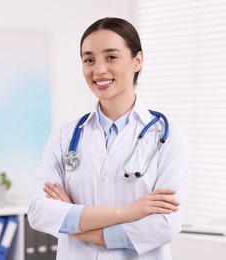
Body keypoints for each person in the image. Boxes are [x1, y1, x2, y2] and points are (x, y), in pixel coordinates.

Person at [28, 17, 191, 260]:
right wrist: (127, 212)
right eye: (89, 59)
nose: (99, 69)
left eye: (111, 57)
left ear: (137, 60)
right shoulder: (65, 135)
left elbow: (164, 225)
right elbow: (39, 212)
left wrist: (73, 224)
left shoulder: (167, 136)